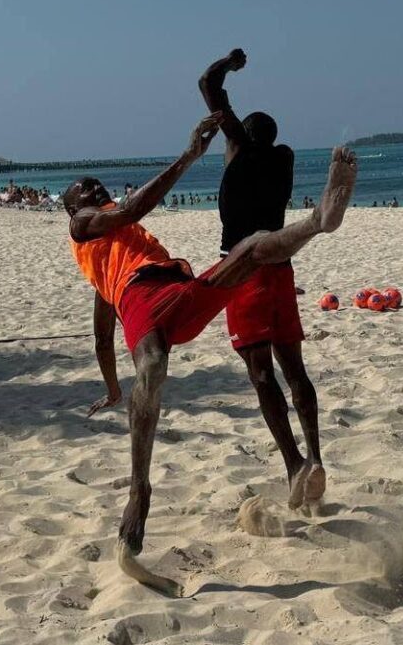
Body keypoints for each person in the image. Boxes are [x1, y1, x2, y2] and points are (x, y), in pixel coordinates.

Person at [64, 112, 357, 594]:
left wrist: (111, 388)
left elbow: (100, 337)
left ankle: (319, 220)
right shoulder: (84, 226)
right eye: (85, 191)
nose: (95, 192)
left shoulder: (109, 258)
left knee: (251, 249)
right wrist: (188, 156)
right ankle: (140, 491)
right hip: (143, 305)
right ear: (72, 209)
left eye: (98, 186)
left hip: (178, 292)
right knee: (154, 363)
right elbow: (128, 214)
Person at [200, 48, 326, 510]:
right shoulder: (284, 159)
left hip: (246, 268)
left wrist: (229, 63)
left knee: (260, 375)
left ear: (242, 137)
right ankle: (315, 456)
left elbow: (207, 86)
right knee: (294, 368)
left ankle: (295, 464)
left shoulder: (243, 152)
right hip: (280, 267)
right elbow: (250, 129)